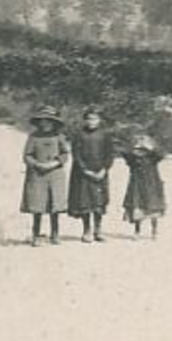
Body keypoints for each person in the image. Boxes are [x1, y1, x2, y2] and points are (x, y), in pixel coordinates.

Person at [20, 105, 70, 246]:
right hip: (37, 175)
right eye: (43, 121)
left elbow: (65, 154)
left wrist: (54, 163)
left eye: (49, 121)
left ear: (54, 123)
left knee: (54, 205)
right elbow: (27, 155)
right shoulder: (33, 137)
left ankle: (55, 234)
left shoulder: (59, 137)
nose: (46, 123)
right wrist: (37, 164)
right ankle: (36, 234)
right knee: (37, 206)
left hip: (55, 175)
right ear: (39, 122)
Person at [67, 107, 115, 243]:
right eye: (88, 118)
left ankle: (98, 229)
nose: (91, 121)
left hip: (100, 172)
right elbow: (76, 154)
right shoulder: (79, 134)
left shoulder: (105, 135)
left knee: (98, 202)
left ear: (99, 120)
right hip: (83, 173)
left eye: (94, 118)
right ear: (84, 120)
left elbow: (110, 154)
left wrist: (104, 169)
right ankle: (86, 230)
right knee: (85, 202)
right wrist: (84, 169)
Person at [122, 132, 167, 240]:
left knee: (153, 206)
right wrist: (134, 146)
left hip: (152, 183)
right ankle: (137, 231)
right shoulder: (134, 156)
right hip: (137, 184)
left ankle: (154, 231)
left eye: (144, 140)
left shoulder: (152, 157)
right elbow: (125, 154)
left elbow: (161, 155)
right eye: (139, 141)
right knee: (137, 206)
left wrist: (150, 147)